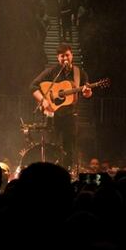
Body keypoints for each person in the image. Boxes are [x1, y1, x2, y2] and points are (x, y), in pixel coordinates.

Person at [30, 42, 92, 171]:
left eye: (67, 55)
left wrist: (87, 92)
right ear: (58, 58)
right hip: (53, 115)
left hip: (71, 115)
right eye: (62, 56)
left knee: (69, 147)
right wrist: (44, 101)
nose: (65, 58)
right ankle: (50, 171)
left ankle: (67, 172)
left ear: (72, 55)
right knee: (52, 146)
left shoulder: (79, 73)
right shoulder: (52, 72)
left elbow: (87, 92)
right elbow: (33, 86)